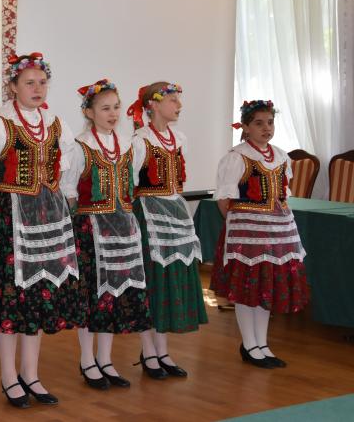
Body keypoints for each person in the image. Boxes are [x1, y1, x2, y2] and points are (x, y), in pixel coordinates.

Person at [0, 53, 80, 409]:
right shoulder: (0, 125)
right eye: (29, 83)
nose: (37, 88)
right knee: (10, 300)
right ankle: (8, 376)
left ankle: (31, 374)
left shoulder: (55, 124)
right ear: (13, 86)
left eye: (42, 82)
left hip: (47, 218)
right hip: (10, 219)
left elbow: (63, 171)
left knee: (38, 295)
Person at [61, 79, 152, 390]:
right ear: (89, 112)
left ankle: (106, 359)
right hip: (91, 229)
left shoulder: (128, 145)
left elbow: (131, 184)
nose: (113, 114)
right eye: (105, 108)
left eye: (116, 107)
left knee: (115, 294)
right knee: (92, 296)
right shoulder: (80, 147)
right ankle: (88, 360)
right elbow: (69, 191)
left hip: (123, 228)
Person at [210, 99, 308, 368]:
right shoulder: (237, 157)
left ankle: (262, 343)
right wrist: (241, 226)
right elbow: (224, 200)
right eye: (259, 123)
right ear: (245, 127)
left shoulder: (281, 156)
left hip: (276, 232)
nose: (266, 128)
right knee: (247, 288)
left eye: (270, 122)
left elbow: (282, 194)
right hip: (248, 234)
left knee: (265, 288)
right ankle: (249, 344)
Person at [126, 82, 207, 378]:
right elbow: (129, 185)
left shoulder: (178, 139)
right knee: (152, 281)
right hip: (149, 214)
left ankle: (162, 351)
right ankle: (148, 351)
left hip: (174, 211)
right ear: (154, 105)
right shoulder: (140, 141)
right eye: (173, 100)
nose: (179, 105)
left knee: (169, 278)